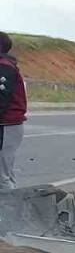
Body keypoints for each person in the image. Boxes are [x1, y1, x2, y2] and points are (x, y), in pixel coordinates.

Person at [0, 32, 28, 191]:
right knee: (5, 175)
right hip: (7, 124)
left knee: (2, 178)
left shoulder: (4, 67)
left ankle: (10, 206)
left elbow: (1, 99)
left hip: (6, 125)